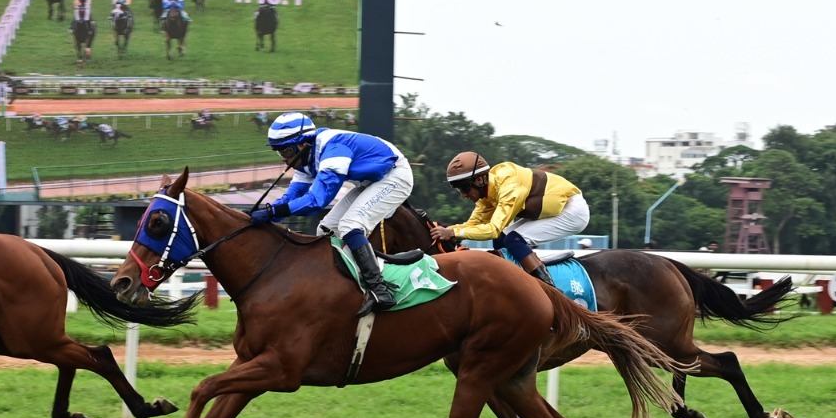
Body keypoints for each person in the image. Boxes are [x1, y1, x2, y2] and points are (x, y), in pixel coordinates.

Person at [248, 112, 414, 313]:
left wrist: (273, 211)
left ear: (304, 143)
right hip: (371, 181)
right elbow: (291, 197)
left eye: (288, 150)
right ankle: (341, 286)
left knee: (350, 225)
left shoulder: (334, 149)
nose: (285, 159)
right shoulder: (307, 159)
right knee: (326, 229)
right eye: (279, 152)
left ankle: (380, 291)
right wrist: (267, 212)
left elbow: (317, 201)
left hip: (395, 176)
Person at [430, 152, 590, 287]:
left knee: (513, 239)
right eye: (459, 189)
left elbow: (492, 229)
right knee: (502, 238)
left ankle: (549, 289)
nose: (463, 195)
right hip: (554, 210)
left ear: (479, 180)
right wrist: (444, 231)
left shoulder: (509, 187)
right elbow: (471, 226)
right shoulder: (486, 195)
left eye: (465, 188)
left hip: (572, 210)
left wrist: (451, 232)